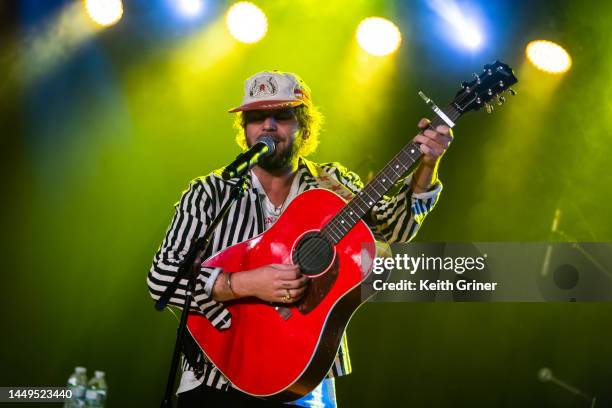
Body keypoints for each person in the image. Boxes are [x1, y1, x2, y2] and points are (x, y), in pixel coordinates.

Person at [147, 70, 453, 407]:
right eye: (256, 117)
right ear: (244, 129)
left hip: (304, 377)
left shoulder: (331, 184)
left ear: (303, 127)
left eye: (281, 116)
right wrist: (243, 283)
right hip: (218, 376)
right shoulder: (210, 192)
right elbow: (162, 278)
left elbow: (392, 232)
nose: (267, 126)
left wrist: (426, 167)